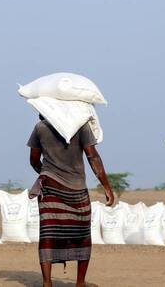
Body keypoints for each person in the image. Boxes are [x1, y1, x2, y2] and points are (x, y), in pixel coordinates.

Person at [28, 115, 114, 287]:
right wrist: (106, 186)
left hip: (50, 187)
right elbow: (93, 156)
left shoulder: (40, 128)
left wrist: (47, 172)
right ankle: (80, 283)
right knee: (82, 235)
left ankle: (47, 282)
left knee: (48, 234)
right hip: (77, 189)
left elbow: (34, 160)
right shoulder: (81, 125)